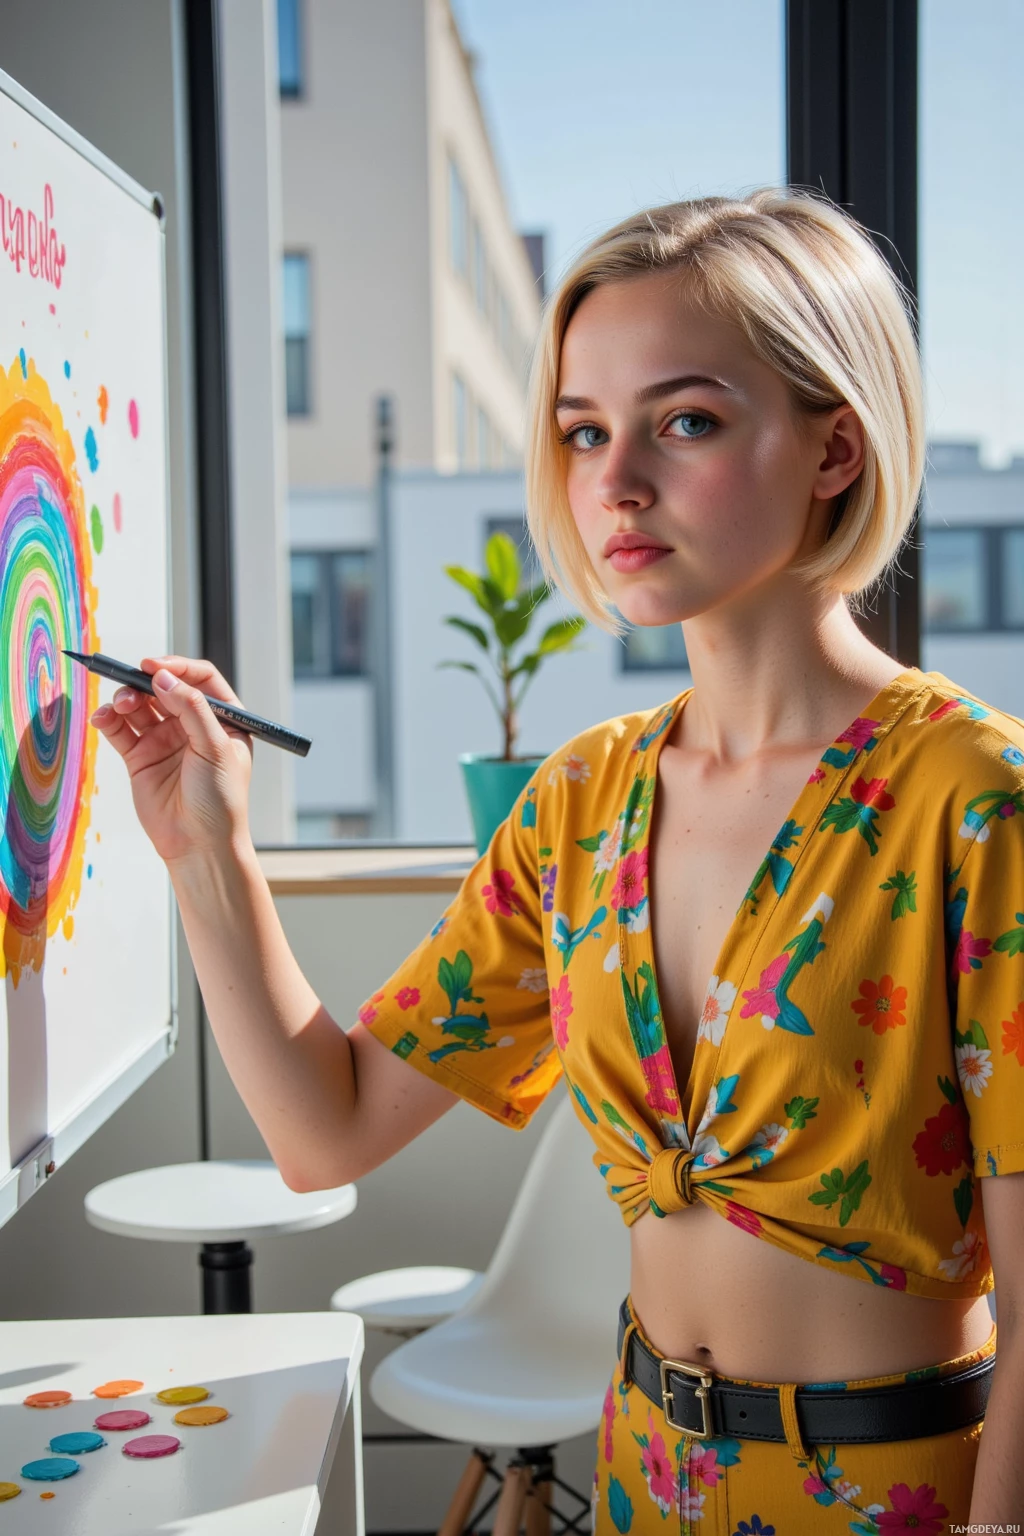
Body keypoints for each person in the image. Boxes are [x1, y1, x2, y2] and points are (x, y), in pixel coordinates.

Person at [92, 188, 1024, 1533]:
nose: (615, 482)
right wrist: (205, 845)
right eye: (585, 431)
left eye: (685, 421)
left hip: (907, 1495)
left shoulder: (975, 801)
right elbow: (325, 1129)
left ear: (834, 450)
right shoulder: (579, 803)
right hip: (645, 1472)